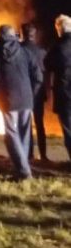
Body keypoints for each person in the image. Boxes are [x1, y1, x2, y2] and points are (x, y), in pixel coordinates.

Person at [0, 25, 43, 180]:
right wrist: (31, 93)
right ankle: (22, 168)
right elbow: (38, 77)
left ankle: (23, 171)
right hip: (26, 98)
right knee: (24, 134)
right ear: (14, 35)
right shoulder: (25, 52)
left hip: (7, 99)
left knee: (11, 135)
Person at [44, 15, 71, 163]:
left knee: (68, 129)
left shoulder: (58, 47)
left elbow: (47, 64)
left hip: (65, 95)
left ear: (59, 29)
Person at [21, 22, 48, 162]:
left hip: (24, 91)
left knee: (26, 124)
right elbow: (46, 72)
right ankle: (43, 155)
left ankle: (29, 153)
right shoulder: (42, 52)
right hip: (38, 92)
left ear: (22, 33)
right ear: (34, 34)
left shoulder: (19, 50)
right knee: (39, 124)